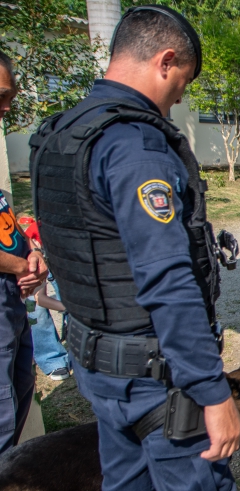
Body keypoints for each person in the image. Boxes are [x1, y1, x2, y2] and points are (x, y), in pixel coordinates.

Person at [28, 7, 240, 489]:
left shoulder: (61, 134)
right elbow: (166, 278)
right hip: (153, 381)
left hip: (97, 367)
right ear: (166, 61)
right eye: (182, 85)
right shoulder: (134, 144)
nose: (177, 99)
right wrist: (212, 393)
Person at [0, 51, 49, 455]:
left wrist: (29, 249)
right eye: (1, 95)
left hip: (10, 301)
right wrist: (20, 264)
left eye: (11, 96)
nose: (7, 107)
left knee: (16, 402)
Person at [19, 219, 70, 381]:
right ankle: (51, 358)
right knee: (36, 311)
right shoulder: (35, 245)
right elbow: (39, 299)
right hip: (39, 251)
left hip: (66, 248)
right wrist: (70, 308)